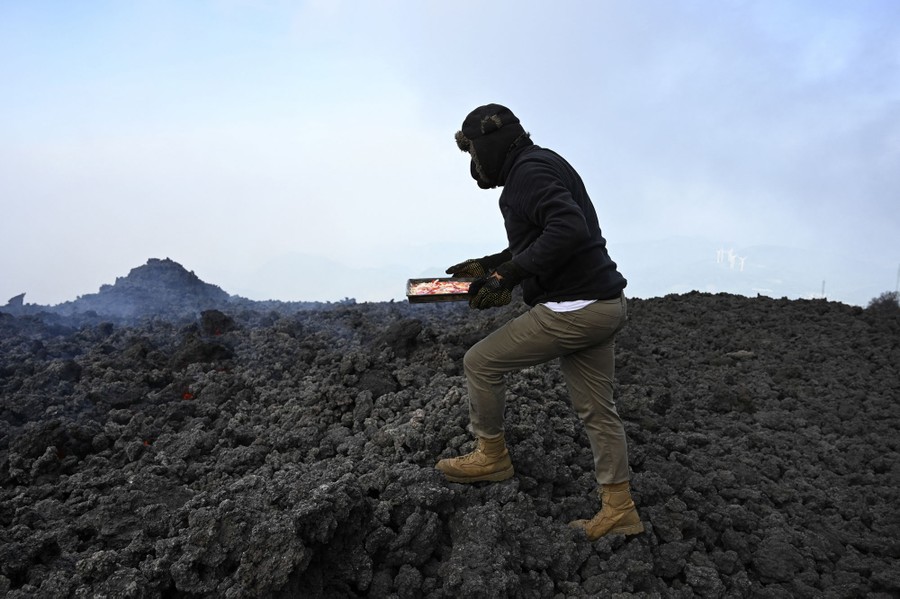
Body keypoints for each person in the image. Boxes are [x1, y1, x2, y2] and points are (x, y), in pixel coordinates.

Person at [435, 103, 644, 540]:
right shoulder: (541, 162)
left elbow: (567, 228)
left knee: (480, 363)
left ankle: (491, 456)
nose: (474, 165)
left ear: (489, 144)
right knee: (598, 413)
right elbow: (545, 231)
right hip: (605, 303)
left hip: (575, 308)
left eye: (473, 152)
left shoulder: (527, 174)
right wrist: (492, 263)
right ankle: (620, 509)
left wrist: (508, 276)